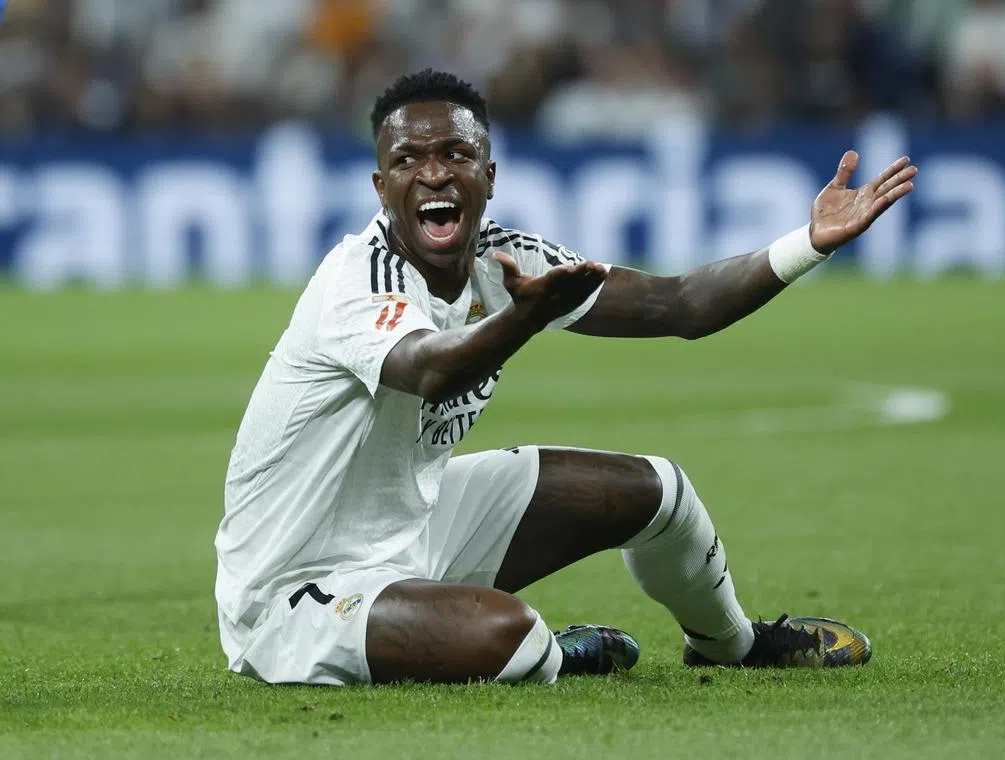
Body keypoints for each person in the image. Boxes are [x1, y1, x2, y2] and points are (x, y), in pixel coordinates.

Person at [214, 69, 917, 686]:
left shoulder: (506, 257)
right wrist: (524, 318)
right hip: (295, 589)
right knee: (510, 637)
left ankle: (732, 646)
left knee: (660, 492)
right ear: (381, 184)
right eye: (409, 159)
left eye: (457, 153)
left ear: (488, 175)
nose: (434, 173)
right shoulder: (359, 279)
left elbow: (681, 306)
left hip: (412, 528)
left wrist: (808, 245)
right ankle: (556, 653)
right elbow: (429, 371)